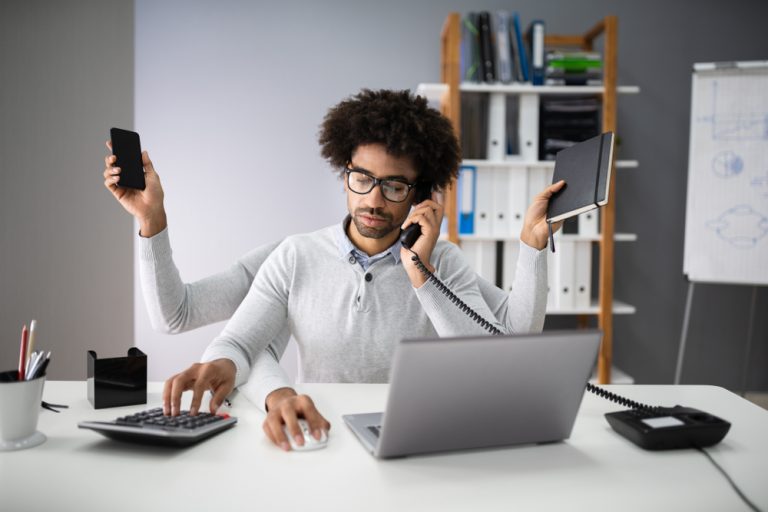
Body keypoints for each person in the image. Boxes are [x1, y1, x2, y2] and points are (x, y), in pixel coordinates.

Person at [103, 89, 564, 451]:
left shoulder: (443, 262)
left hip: (419, 437)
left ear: (421, 194)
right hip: (323, 434)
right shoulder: (295, 255)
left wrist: (525, 247)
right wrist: (269, 389)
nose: (373, 200)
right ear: (344, 174)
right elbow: (237, 341)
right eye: (362, 179)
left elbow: (505, 345)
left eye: (394, 186)